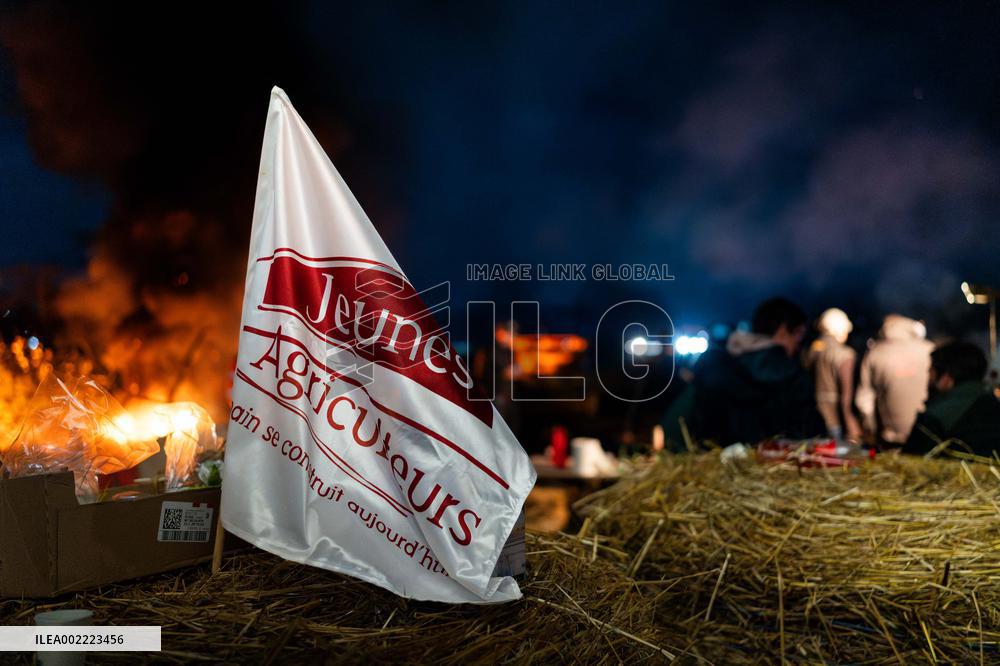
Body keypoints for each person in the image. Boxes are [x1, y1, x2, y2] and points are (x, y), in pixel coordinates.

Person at [663, 297, 823, 446]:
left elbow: (682, 425)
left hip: (720, 467)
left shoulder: (716, 365)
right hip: (778, 469)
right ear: (782, 330)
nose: (798, 344)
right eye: (798, 334)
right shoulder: (795, 375)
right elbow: (810, 432)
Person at [905, 342, 1000, 456]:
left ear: (946, 378)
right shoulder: (993, 404)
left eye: (931, 371)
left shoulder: (935, 418)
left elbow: (909, 460)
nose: (928, 377)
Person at [855, 314, 933, 446]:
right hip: (928, 436)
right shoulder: (930, 349)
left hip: (890, 439)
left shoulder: (875, 353)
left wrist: (871, 429)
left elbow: (864, 399)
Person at [804, 308, 861, 440]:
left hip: (811, 416)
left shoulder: (811, 350)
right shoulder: (845, 354)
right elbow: (847, 395)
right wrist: (852, 424)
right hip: (835, 418)